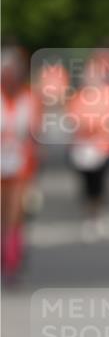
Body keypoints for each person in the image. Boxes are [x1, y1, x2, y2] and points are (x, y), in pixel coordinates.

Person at [67, 50, 109, 242]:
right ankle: (91, 217)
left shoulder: (108, 95)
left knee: (103, 184)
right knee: (88, 186)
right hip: (83, 150)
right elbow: (75, 120)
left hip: (104, 148)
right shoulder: (77, 98)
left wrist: (95, 125)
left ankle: (103, 213)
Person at [1, 46, 40, 282]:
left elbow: (36, 133)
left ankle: (12, 259)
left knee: (15, 213)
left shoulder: (30, 97)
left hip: (20, 164)